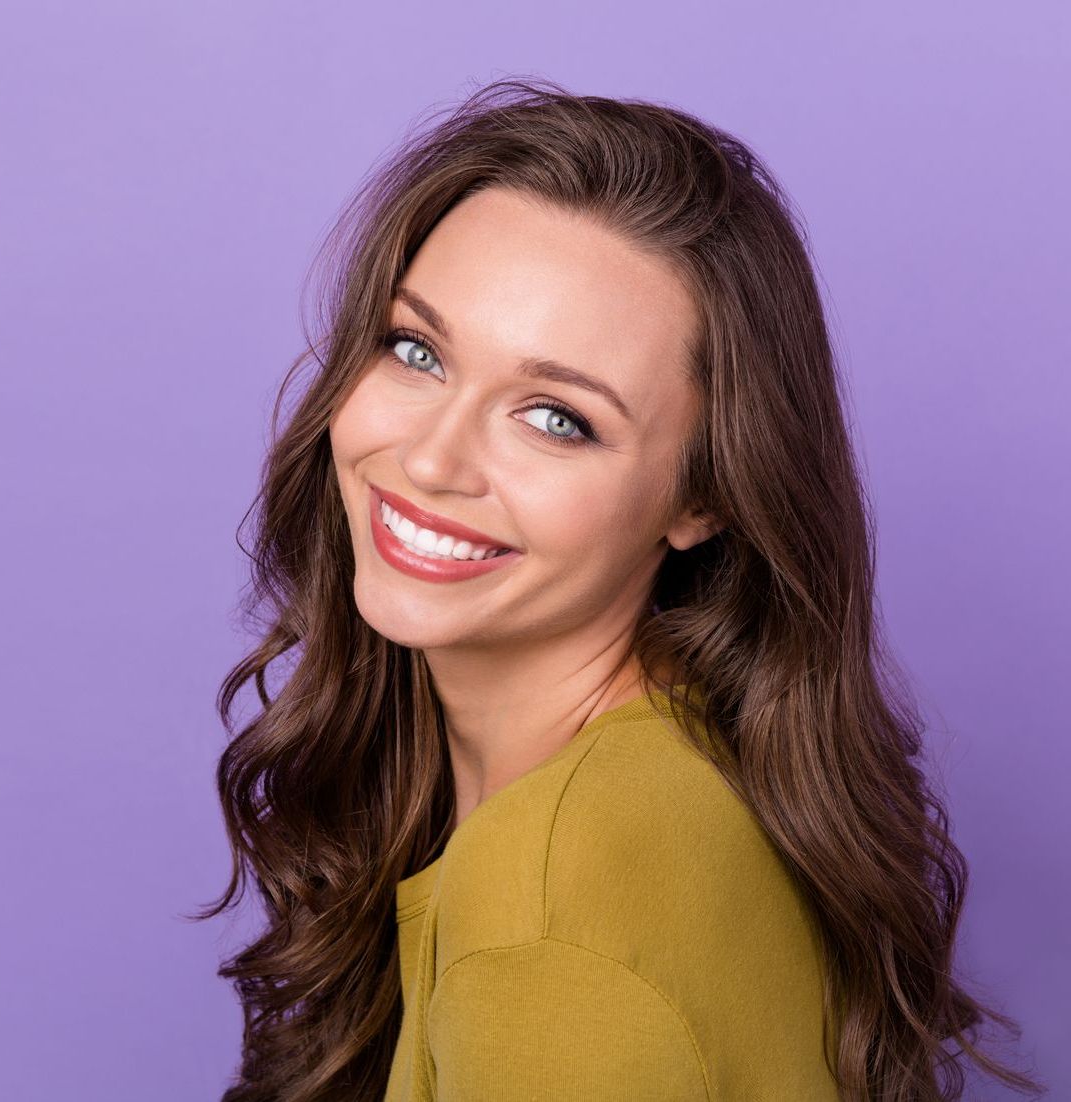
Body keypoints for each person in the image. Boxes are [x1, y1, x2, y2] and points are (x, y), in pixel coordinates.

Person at [193, 78, 1044, 1102]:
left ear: (704, 495)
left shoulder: (548, 925)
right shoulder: (674, 771)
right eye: (415, 349)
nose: (429, 460)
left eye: (556, 417)